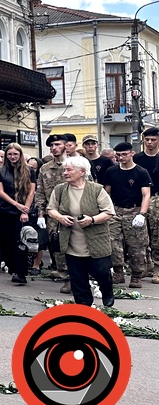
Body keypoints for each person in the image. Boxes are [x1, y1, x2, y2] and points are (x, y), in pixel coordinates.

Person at [47, 155, 116, 306]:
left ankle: (107, 290)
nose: (65, 173)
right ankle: (84, 308)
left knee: (101, 272)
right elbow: (51, 209)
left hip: (96, 241)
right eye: (64, 170)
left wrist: (92, 220)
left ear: (82, 171)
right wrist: (60, 218)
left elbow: (109, 212)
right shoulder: (59, 190)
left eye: (69, 170)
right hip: (71, 243)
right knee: (78, 280)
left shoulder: (96, 189)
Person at [101, 142, 151, 288]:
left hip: (134, 210)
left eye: (124, 154)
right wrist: (106, 210)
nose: (121, 157)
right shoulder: (112, 171)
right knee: (112, 242)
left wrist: (142, 214)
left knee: (137, 244)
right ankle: (118, 271)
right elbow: (106, 192)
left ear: (132, 154)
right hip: (116, 210)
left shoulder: (141, 172)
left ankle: (136, 275)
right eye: (118, 155)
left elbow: (146, 194)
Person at [0, 143, 36, 285]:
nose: (12, 157)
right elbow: (0, 192)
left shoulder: (29, 170)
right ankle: (13, 268)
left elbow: (31, 191)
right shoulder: (2, 171)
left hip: (23, 211)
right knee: (7, 242)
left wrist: (25, 209)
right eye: (10, 154)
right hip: (6, 210)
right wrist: (15, 204)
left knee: (20, 242)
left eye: (15, 154)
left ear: (20, 155)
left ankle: (21, 272)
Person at [35, 134, 69, 290]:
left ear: (65, 145)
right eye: (52, 146)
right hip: (53, 213)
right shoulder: (45, 168)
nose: (54, 148)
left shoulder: (75, 164)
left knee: (76, 245)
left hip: (72, 211)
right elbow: (40, 192)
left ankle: (79, 276)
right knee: (58, 246)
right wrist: (41, 213)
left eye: (57, 144)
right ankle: (66, 277)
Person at [136, 127, 159, 283]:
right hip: (140, 200)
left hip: (157, 198)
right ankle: (145, 265)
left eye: (153, 140)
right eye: (147, 139)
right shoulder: (138, 158)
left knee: (156, 235)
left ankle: (157, 268)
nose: (150, 143)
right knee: (140, 236)